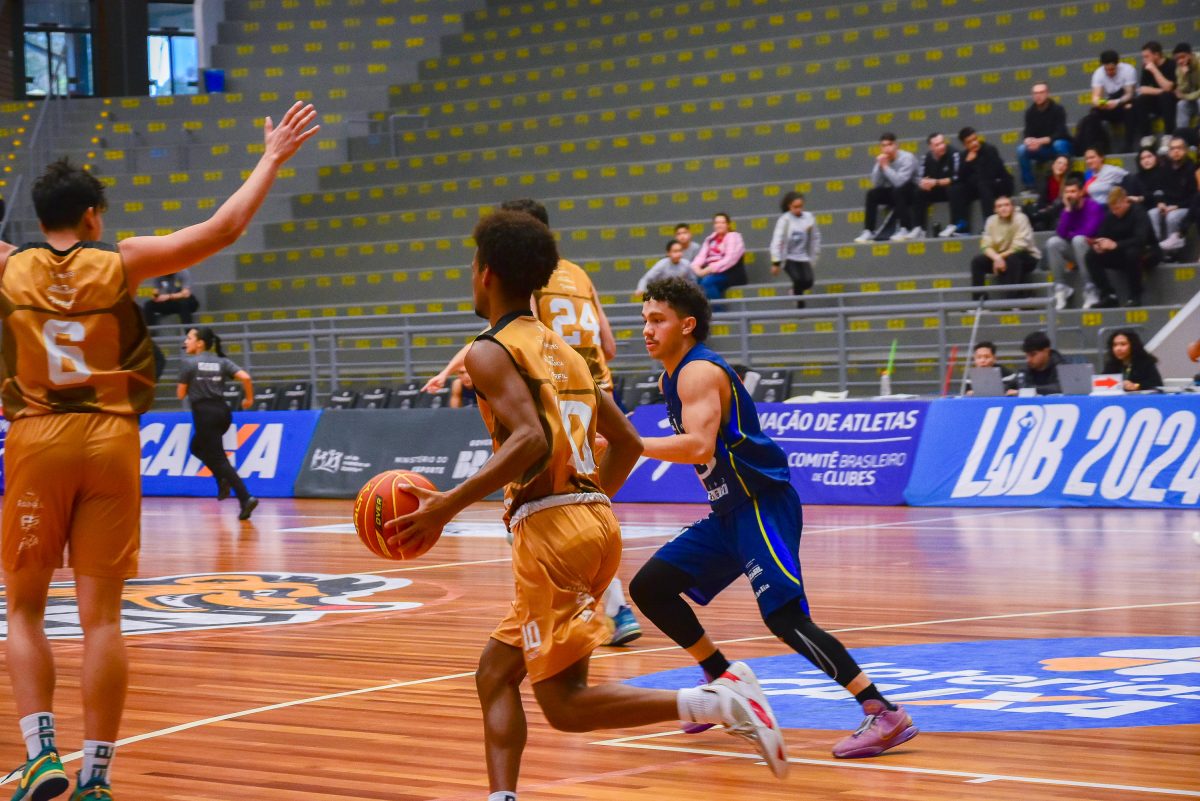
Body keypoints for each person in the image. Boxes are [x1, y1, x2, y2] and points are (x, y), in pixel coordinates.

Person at [387, 213, 789, 798]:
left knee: (565, 706)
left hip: (551, 533)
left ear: (486, 273)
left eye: (472, 266)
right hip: (593, 520)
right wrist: (587, 503)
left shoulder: (489, 351)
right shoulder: (568, 352)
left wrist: (445, 506)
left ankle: (720, 701)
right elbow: (625, 442)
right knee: (494, 674)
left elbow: (530, 439)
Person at [0, 103, 318, 801]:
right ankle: (98, 776)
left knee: (24, 610)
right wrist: (271, 158)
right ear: (91, 217)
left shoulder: (8, 266)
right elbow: (222, 228)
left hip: (37, 438)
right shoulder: (122, 260)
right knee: (102, 620)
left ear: (41, 218)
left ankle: (42, 753)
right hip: (110, 440)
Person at [629, 276, 918, 760]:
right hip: (728, 511)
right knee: (651, 586)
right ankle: (721, 679)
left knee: (783, 616)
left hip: (762, 504)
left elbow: (698, 446)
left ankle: (883, 712)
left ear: (687, 325)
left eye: (658, 320)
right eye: (644, 320)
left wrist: (630, 443)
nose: (647, 329)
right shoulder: (668, 380)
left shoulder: (697, 372)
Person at [422, 198, 641, 647]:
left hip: (551, 398)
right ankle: (596, 608)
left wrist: (447, 505)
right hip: (592, 393)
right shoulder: (579, 276)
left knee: (536, 517)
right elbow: (609, 346)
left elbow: (519, 343)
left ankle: (606, 612)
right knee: (501, 670)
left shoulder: (523, 296)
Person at [176, 327, 258, 521]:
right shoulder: (221, 361)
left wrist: (193, 384)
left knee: (219, 459)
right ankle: (220, 478)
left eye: (189, 338)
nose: (185, 342)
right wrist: (249, 399)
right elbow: (246, 377)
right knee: (196, 447)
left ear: (200, 343)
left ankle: (245, 497)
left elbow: (180, 394)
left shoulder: (189, 363)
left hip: (205, 414)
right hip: (223, 412)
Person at [1085, 186, 1158, 307]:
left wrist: (1116, 245)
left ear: (1125, 201)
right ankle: (1109, 295)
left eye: (1117, 208)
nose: (1115, 212)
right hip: (1121, 253)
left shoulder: (1139, 213)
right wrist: (1099, 244)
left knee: (1132, 253)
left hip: (1146, 252)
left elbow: (1140, 240)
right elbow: (1103, 234)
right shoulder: (1111, 215)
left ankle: (1135, 296)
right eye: (1112, 209)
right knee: (1091, 255)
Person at [1043, 174, 1106, 310]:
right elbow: (1060, 234)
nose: (1069, 195)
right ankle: (1061, 287)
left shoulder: (1093, 206)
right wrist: (1067, 211)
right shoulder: (1067, 209)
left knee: (1079, 240)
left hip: (1095, 252)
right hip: (1077, 250)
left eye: (1073, 191)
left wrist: (1070, 234)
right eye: (1066, 192)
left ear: (1081, 192)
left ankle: (1091, 288)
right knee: (1053, 242)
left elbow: (1088, 232)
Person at [969, 196, 1039, 300]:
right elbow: (985, 245)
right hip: (1000, 259)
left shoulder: (1021, 218)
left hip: (1026, 256)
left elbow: (1019, 246)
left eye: (1006, 205)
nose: (1003, 208)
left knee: (1013, 258)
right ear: (995, 210)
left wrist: (999, 257)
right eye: (999, 206)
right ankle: (979, 299)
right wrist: (996, 258)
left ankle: (1013, 300)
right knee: (977, 261)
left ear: (1012, 207)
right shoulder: (991, 220)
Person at [855, 131, 919, 241]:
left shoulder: (907, 158)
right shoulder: (882, 160)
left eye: (890, 145)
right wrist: (880, 167)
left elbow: (900, 182)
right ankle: (869, 230)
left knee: (898, 190)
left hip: (912, 191)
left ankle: (905, 228)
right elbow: (877, 184)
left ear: (896, 145)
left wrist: (885, 167)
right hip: (895, 192)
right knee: (872, 194)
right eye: (884, 146)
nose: (887, 148)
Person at [956, 127, 1015, 234]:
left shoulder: (989, 150)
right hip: (981, 187)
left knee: (983, 184)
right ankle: (962, 227)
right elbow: (960, 178)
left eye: (975, 139)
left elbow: (990, 174)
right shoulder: (964, 156)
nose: (974, 143)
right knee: (958, 189)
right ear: (965, 145)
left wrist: (973, 175)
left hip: (1001, 184)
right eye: (970, 142)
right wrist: (968, 162)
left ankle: (989, 225)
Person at [1076, 49, 1137, 154]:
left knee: (1129, 108)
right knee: (1093, 113)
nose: (1109, 72)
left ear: (1117, 65)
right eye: (1107, 70)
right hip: (1111, 101)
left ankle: (1129, 145)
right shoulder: (1098, 73)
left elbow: (1129, 94)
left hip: (1126, 101)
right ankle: (1096, 147)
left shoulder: (1128, 70)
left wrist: (1117, 102)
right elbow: (1095, 99)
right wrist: (1104, 103)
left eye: (1112, 69)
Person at [1016, 83, 1074, 191]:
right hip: (1041, 149)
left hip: (1058, 146)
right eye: (1035, 93)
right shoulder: (1030, 112)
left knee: (1059, 144)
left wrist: (1040, 141)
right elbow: (1027, 133)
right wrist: (1029, 142)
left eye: (1041, 92)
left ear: (1047, 93)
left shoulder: (1058, 109)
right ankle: (1029, 186)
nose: (1038, 96)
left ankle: (1067, 182)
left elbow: (1060, 133)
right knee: (1021, 150)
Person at [769, 191, 821, 308]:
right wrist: (776, 262)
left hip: (802, 256)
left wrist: (814, 256)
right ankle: (800, 306)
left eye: (800, 206)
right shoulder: (784, 220)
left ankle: (794, 291)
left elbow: (815, 237)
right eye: (795, 207)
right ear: (789, 206)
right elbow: (777, 240)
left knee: (808, 281)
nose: (798, 210)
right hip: (788, 257)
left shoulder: (809, 218)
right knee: (797, 279)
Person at [916, 132, 965, 237]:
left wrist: (935, 182)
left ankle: (955, 225)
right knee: (919, 191)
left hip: (953, 189)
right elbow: (920, 178)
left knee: (955, 188)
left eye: (943, 143)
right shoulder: (926, 157)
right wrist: (923, 183)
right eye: (937, 145)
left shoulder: (954, 154)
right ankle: (920, 228)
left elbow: (956, 178)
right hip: (936, 190)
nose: (942, 146)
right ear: (931, 147)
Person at [690, 211, 747, 300]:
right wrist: (696, 267)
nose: (719, 225)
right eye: (716, 223)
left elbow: (729, 260)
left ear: (728, 225)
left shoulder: (734, 237)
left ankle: (719, 308)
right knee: (694, 283)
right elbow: (701, 256)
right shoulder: (710, 239)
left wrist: (709, 269)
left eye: (722, 223)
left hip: (730, 274)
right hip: (712, 273)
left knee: (707, 282)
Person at [1156, 137, 1198, 255]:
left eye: (1179, 148)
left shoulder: (1192, 168)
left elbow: (1195, 197)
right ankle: (1155, 249)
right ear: (1169, 152)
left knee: (1172, 217)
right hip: (1167, 205)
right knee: (1152, 213)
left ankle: (1172, 253)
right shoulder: (1164, 168)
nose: (1176, 151)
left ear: (1186, 150)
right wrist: (1160, 202)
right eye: (1173, 148)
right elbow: (1159, 189)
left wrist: (1176, 206)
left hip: (1186, 207)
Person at [1132, 42, 1178, 147]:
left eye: (1146, 56)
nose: (1144, 60)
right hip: (1158, 100)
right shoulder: (1146, 66)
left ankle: (1168, 135)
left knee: (1166, 96)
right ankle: (1147, 136)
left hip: (1172, 102)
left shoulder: (1172, 64)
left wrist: (1154, 70)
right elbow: (1143, 89)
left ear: (1156, 55)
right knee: (1140, 100)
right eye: (1143, 57)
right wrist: (1162, 91)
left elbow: (1169, 87)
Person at [1011, 330, 1066, 395]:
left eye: (1033, 354)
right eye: (1027, 355)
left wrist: (1030, 390)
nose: (1028, 359)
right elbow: (1010, 385)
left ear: (1046, 351)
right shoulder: (1026, 370)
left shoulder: (1062, 367)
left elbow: (1063, 387)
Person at [1027, 153, 1071, 231]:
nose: (1061, 166)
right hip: (1046, 213)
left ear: (1066, 168)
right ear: (1053, 165)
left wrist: (1051, 209)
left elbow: (1065, 204)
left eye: (1064, 165)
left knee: (1057, 223)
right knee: (1038, 225)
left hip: (1060, 213)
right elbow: (1041, 201)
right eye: (1059, 163)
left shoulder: (1069, 182)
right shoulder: (1045, 180)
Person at [1174, 43, 1200, 133]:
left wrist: (1185, 96)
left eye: (1183, 57)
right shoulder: (1180, 68)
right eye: (1177, 59)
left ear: (1191, 55)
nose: (1180, 61)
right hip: (1194, 99)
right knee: (1181, 105)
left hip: (1197, 99)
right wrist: (1185, 76)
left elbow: (1183, 95)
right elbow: (1181, 90)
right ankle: (1181, 135)